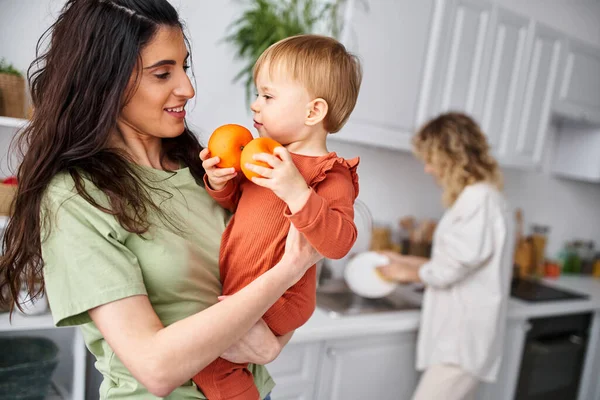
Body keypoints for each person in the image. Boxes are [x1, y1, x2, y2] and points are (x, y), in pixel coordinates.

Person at [0, 1, 322, 399]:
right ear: (104, 82)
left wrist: (275, 342)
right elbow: (156, 366)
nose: (188, 88)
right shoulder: (76, 197)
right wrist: (286, 273)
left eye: (184, 67)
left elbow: (298, 250)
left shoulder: (206, 169)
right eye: (162, 73)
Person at [195, 34, 362, 400]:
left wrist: (297, 191)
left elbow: (340, 241)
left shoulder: (329, 173)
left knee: (209, 361)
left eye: (268, 97)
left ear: (313, 112)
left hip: (282, 298)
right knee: (212, 355)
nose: (255, 106)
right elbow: (238, 205)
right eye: (258, 95)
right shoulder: (264, 157)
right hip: (248, 289)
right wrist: (220, 181)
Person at [377, 112, 513, 400]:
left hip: (462, 343)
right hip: (459, 340)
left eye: (431, 159)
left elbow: (447, 271)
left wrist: (406, 272)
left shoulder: (479, 200)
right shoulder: (479, 198)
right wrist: (404, 262)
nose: (427, 169)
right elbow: (456, 262)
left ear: (452, 157)